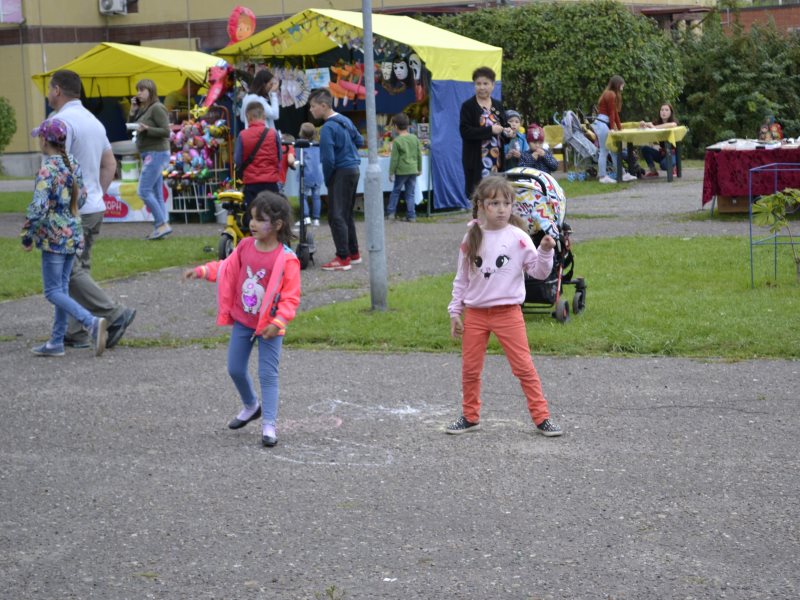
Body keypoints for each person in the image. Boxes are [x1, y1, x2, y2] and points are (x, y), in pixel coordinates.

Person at [445, 175, 563, 437]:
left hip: (508, 313)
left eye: (506, 203)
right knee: (470, 369)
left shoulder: (518, 237)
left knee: (524, 368)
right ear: (481, 206)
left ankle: (542, 418)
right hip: (475, 314)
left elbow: (540, 272)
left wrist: (545, 251)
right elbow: (461, 278)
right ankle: (470, 416)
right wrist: (455, 311)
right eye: (494, 203)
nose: (501, 209)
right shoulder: (471, 236)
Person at [183, 192, 300, 447]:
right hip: (243, 320)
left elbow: (291, 297)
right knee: (235, 368)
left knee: (268, 375)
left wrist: (278, 322)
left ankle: (269, 424)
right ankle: (251, 406)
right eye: (252, 218)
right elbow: (226, 268)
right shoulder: (245, 246)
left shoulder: (287, 258)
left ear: (277, 225)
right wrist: (203, 271)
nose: (253, 223)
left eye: (260, 219)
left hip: (269, 327)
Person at [47, 69, 136, 350]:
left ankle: (113, 314)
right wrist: (95, 193)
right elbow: (110, 164)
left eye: (50, 89)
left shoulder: (58, 122)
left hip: (70, 209)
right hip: (94, 206)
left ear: (57, 90)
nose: (48, 94)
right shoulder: (94, 122)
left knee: (69, 273)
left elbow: (54, 170)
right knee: (79, 267)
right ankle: (76, 331)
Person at [21, 118, 108, 358]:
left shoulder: (47, 170)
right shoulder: (73, 164)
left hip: (54, 238)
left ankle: (90, 322)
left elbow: (38, 207)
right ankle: (56, 342)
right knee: (62, 289)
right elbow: (80, 199)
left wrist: (27, 235)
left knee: (52, 291)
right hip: (73, 233)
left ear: (43, 140)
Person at [308, 87, 364, 272]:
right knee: (346, 213)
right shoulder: (345, 120)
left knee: (335, 215)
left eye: (313, 106)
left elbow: (328, 159)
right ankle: (353, 253)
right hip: (354, 169)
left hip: (340, 171)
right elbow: (360, 140)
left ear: (323, 106)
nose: (311, 110)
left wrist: (328, 177)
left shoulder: (327, 129)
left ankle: (342, 257)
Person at [459, 66, 513, 203]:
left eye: (485, 83)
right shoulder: (468, 106)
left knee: (496, 196)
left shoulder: (498, 105)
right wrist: (490, 131)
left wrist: (508, 132)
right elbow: (465, 132)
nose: (482, 87)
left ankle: (494, 223)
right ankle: (479, 223)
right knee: (478, 198)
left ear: (493, 85)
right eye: (478, 84)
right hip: (477, 161)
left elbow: (504, 127)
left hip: (496, 161)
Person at [129, 78, 173, 240]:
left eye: (142, 90)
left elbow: (166, 131)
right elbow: (131, 126)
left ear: (151, 91)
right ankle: (163, 227)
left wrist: (148, 129)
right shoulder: (143, 109)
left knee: (143, 190)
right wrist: (133, 111)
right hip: (150, 153)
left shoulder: (157, 108)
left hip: (156, 152)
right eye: (138, 90)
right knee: (156, 192)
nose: (139, 93)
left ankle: (161, 224)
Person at [233, 102, 282, 229]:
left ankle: (255, 241)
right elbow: (280, 157)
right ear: (264, 116)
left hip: (252, 182)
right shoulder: (273, 133)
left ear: (248, 117)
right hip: (271, 181)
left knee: (253, 213)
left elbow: (237, 161)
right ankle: (272, 240)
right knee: (272, 213)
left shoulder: (243, 135)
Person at [593, 75, 636, 184]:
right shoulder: (610, 94)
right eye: (622, 85)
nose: (623, 87)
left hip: (604, 123)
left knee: (614, 151)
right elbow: (612, 113)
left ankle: (622, 174)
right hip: (603, 123)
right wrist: (612, 128)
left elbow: (615, 113)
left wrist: (619, 128)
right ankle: (603, 177)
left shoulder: (610, 94)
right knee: (604, 150)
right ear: (617, 84)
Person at [386, 112, 422, 222]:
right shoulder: (414, 138)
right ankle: (411, 216)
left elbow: (395, 159)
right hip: (413, 170)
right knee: (410, 193)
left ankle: (391, 213)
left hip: (401, 171)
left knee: (396, 191)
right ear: (408, 125)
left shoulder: (397, 141)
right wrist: (419, 168)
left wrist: (391, 172)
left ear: (396, 127)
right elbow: (418, 154)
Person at [638, 103, 679, 178]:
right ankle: (653, 171)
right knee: (645, 149)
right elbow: (649, 124)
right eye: (662, 110)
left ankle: (674, 167)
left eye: (666, 110)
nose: (664, 112)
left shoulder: (674, 122)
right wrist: (643, 124)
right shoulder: (656, 122)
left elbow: (672, 125)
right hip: (662, 153)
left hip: (672, 153)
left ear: (671, 112)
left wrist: (654, 127)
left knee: (664, 165)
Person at [296, 122, 323, 227]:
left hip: (306, 175)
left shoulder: (300, 145)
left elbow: (298, 159)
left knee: (303, 196)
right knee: (316, 197)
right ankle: (316, 219)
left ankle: (306, 217)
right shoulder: (317, 145)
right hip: (318, 175)